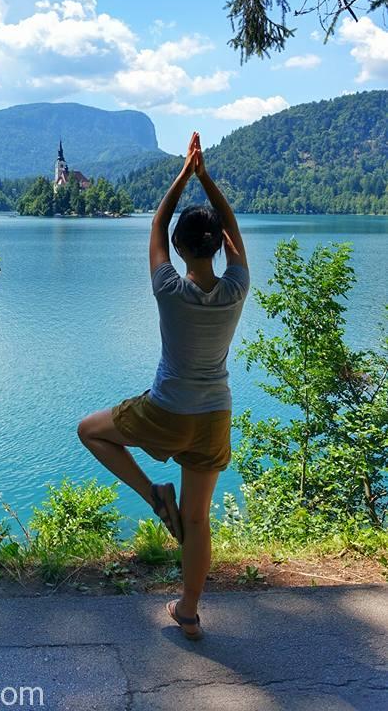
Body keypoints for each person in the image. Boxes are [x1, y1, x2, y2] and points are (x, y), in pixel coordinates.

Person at [77, 131, 249, 640]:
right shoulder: (237, 288)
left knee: (91, 431)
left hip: (167, 410)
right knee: (197, 520)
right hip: (214, 416)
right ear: (220, 245)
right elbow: (232, 229)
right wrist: (208, 181)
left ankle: (153, 494)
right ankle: (189, 613)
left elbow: (156, 222)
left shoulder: (168, 289)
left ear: (178, 248)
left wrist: (184, 174)